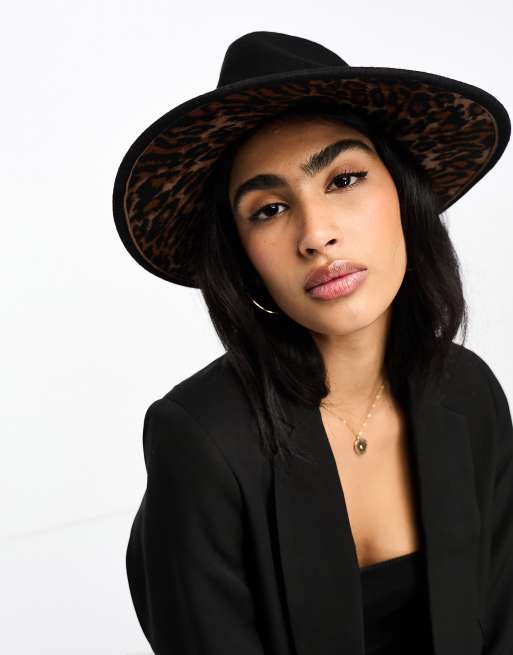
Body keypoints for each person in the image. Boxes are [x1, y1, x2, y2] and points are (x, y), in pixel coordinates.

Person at [113, 31, 512, 655]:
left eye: (344, 178)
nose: (316, 234)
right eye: (269, 210)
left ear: (404, 195)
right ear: (243, 258)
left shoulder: (469, 391)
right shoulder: (202, 441)